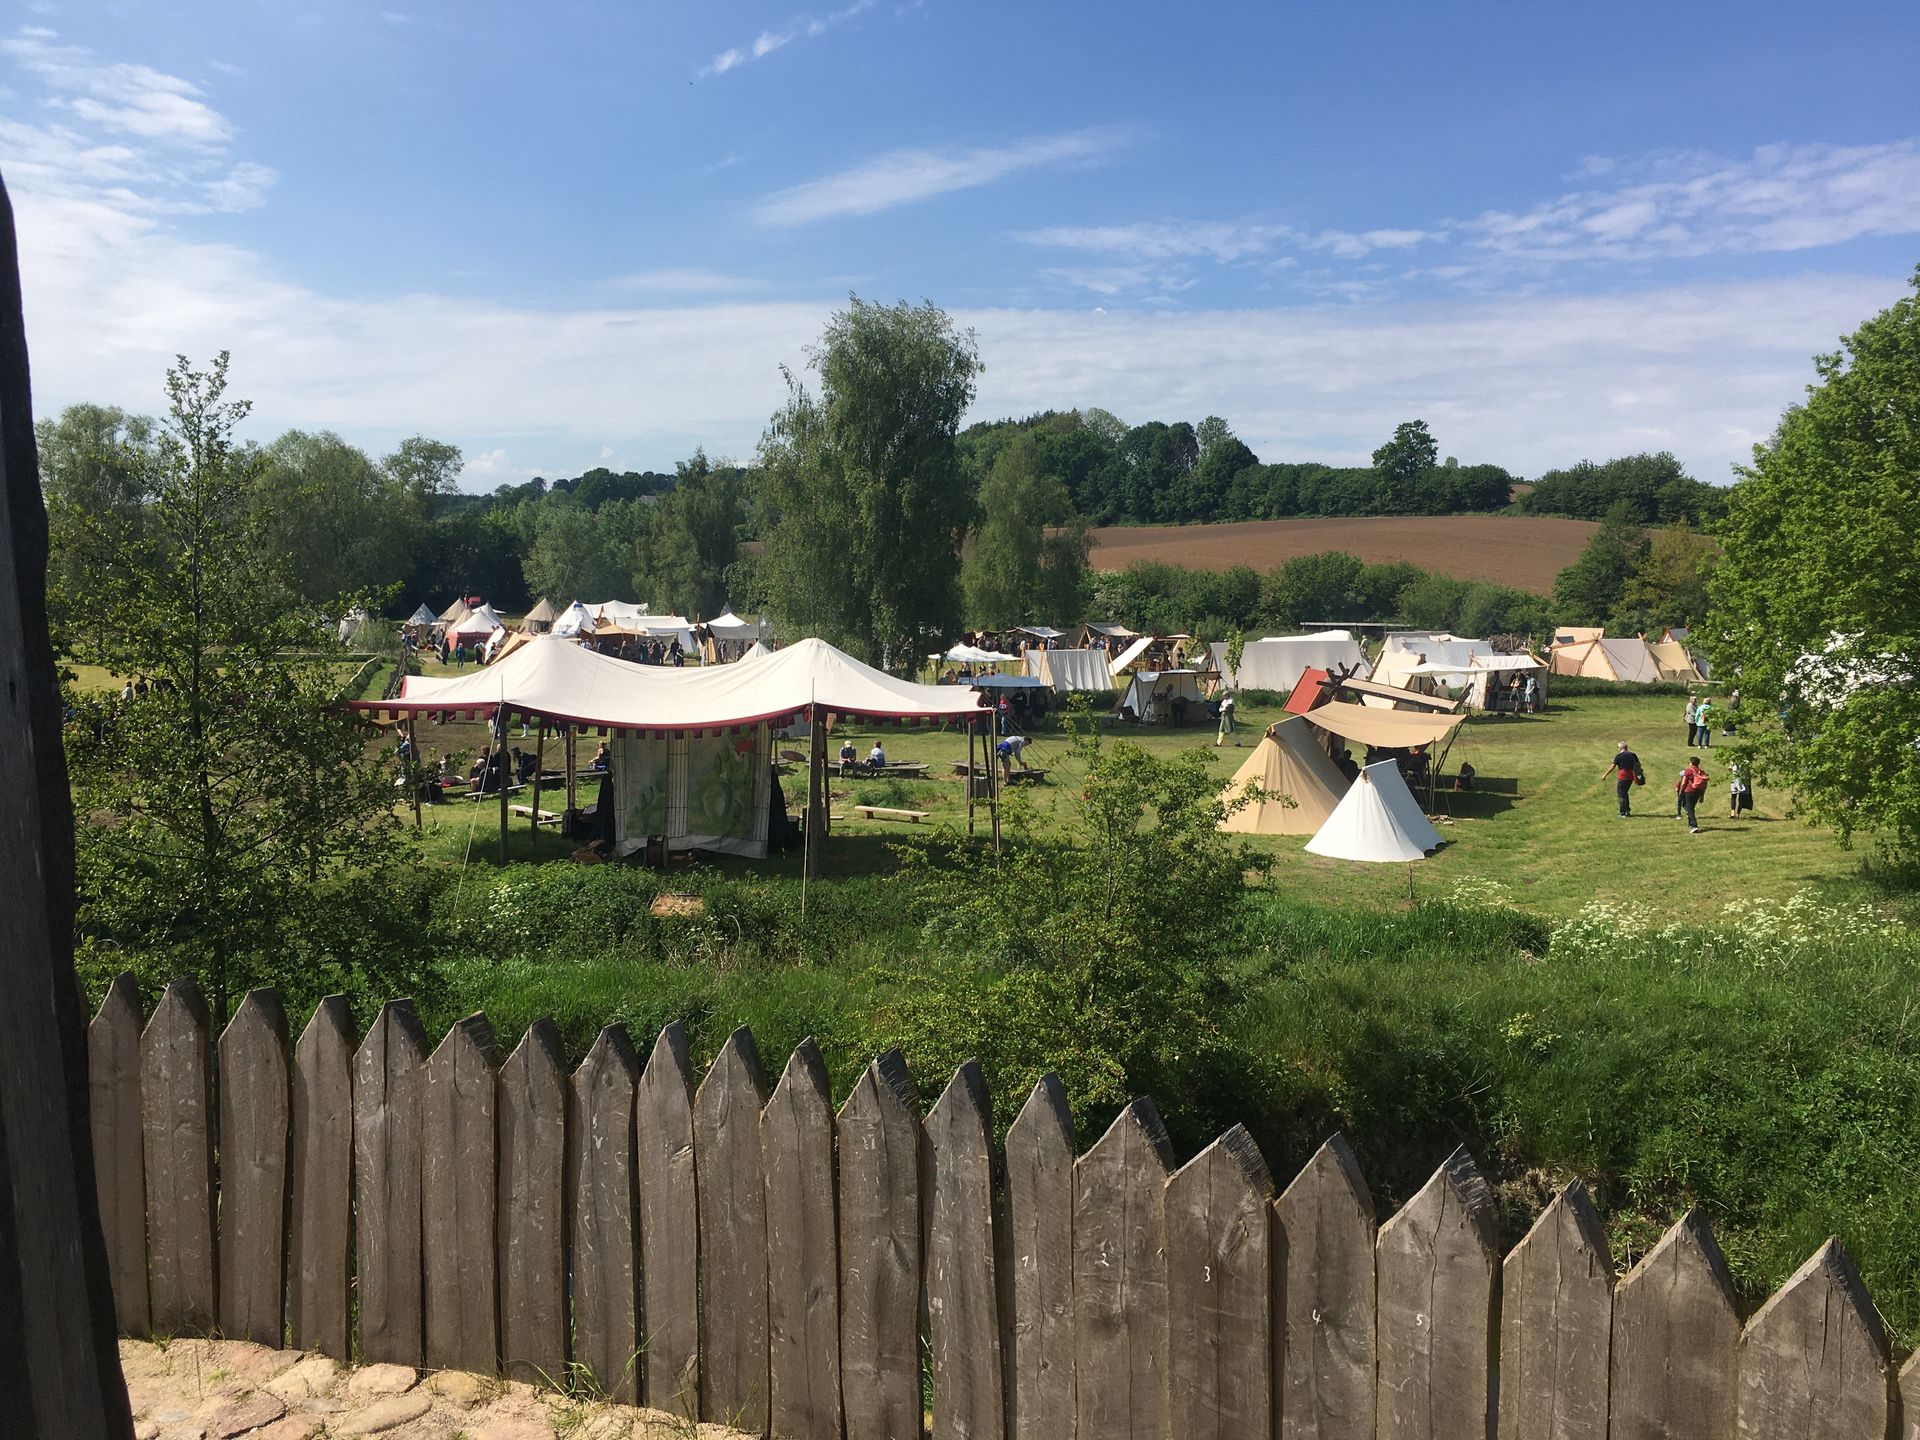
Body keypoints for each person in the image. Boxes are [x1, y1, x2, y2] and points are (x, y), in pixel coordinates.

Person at [1603, 740, 1644, 817]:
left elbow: (1612, 766)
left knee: (1621, 794)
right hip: (1631, 776)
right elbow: (1638, 764)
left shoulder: (1619, 756)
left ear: (1620, 748)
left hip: (1623, 776)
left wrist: (1605, 775)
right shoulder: (1633, 755)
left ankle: (1622, 812)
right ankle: (1627, 811)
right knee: (1625, 793)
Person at [1678, 756, 1709, 832]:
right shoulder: (1701, 771)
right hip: (1698, 791)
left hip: (1690, 791)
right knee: (1690, 807)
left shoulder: (1688, 770)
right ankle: (1690, 824)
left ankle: (1693, 826)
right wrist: (1702, 796)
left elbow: (1684, 783)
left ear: (1691, 763)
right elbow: (1704, 785)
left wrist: (1681, 791)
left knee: (1689, 808)